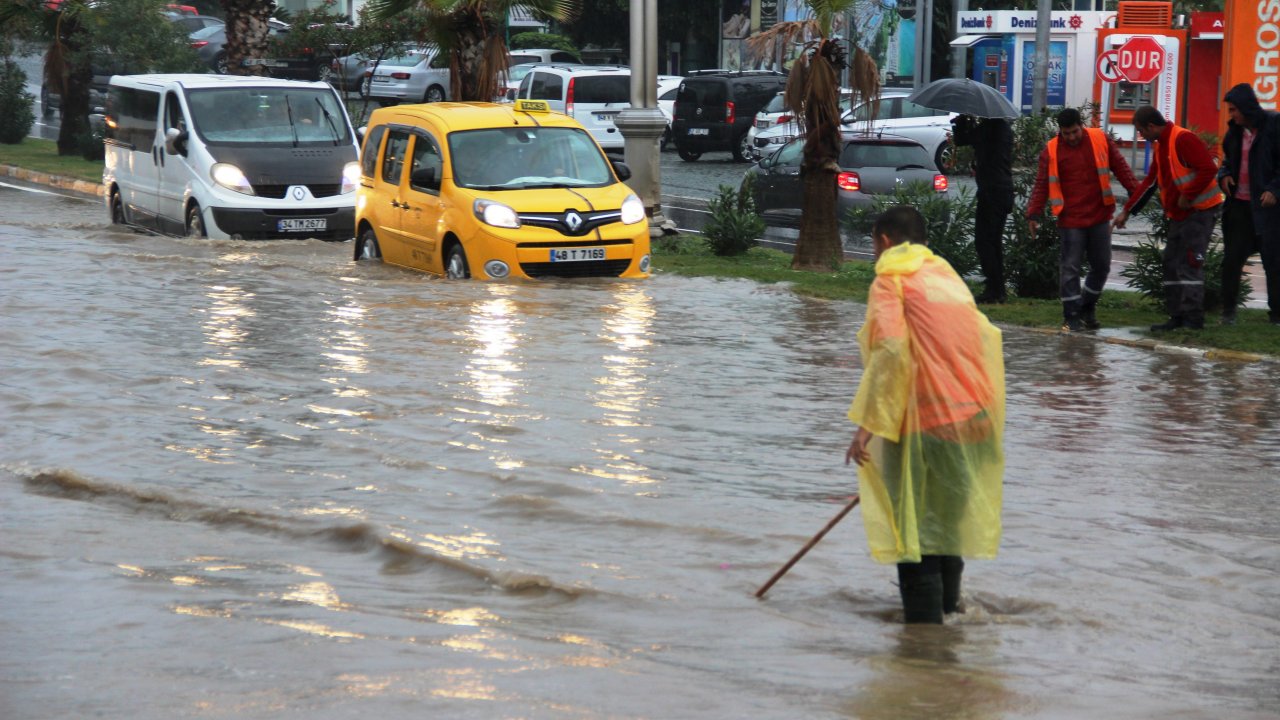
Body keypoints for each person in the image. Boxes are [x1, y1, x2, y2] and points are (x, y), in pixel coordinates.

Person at [844, 205, 1005, 624]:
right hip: (977, 421)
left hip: (929, 425)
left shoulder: (892, 280)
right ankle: (951, 625)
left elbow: (892, 351)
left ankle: (922, 645)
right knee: (945, 529)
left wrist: (868, 426)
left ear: (883, 241)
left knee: (914, 534)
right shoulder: (947, 277)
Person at [1026, 108, 1141, 332]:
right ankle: (1071, 316)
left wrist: (1135, 198)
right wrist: (1033, 213)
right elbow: (1041, 184)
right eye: (1066, 133)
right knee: (1070, 268)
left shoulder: (1100, 139)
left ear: (1082, 125)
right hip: (1070, 220)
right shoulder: (1051, 150)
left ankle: (1087, 307)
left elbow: (1122, 169)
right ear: (1060, 131)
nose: (1071, 137)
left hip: (1099, 215)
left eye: (1075, 132)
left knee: (1102, 266)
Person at [1115, 106, 1224, 331]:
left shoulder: (1182, 139)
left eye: (1141, 131)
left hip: (1199, 212)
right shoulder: (1161, 146)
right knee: (1172, 264)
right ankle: (1176, 317)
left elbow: (1207, 169)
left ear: (1151, 126)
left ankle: (1193, 320)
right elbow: (1151, 182)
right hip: (1179, 215)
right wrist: (1127, 210)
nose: (1141, 136)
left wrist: (1188, 194)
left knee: (1190, 264)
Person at [1218, 83, 1280, 326]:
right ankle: (1228, 311)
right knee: (1232, 261)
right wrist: (1223, 175)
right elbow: (1227, 161)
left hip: (1268, 210)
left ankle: (1276, 315)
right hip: (1239, 208)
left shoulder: (1273, 125)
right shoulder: (1234, 133)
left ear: (1246, 107)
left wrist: (1275, 189)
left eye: (1234, 109)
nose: (1231, 115)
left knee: (1274, 262)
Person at [952, 114, 1014, 303]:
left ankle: (994, 289)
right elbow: (985, 150)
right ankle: (998, 288)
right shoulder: (1004, 129)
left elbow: (962, 140)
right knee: (993, 242)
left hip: (991, 192)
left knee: (984, 241)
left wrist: (961, 124)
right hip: (1003, 190)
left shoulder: (990, 128)